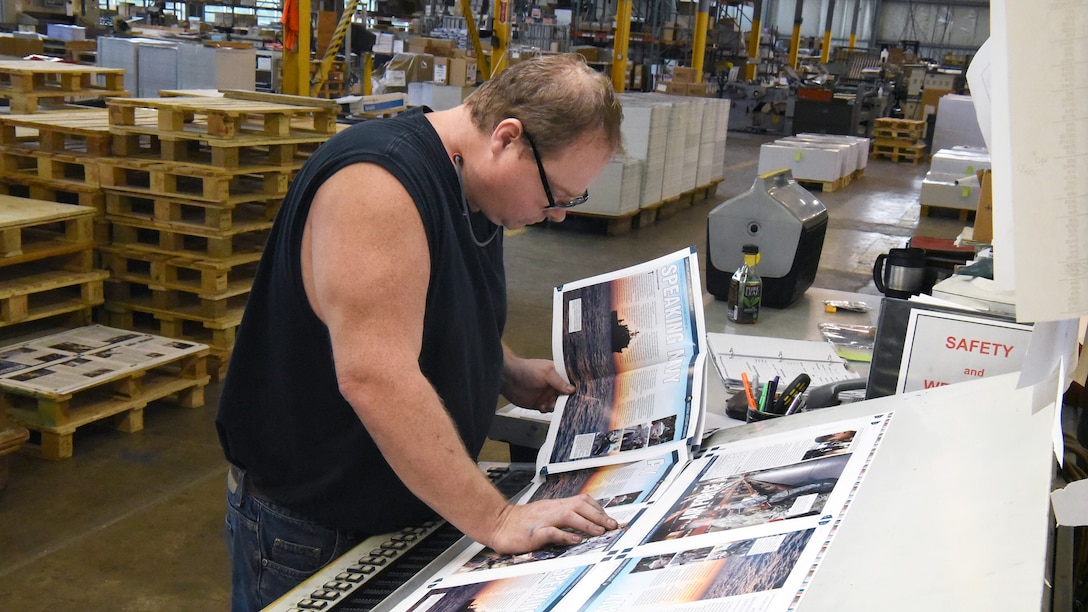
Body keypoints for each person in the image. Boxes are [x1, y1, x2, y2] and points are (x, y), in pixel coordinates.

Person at [215, 54, 623, 611]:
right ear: (507, 138)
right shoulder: (378, 185)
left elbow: (420, 311)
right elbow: (374, 374)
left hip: (405, 510)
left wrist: (502, 368)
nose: (557, 215)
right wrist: (497, 519)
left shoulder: (477, 185)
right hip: (317, 531)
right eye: (557, 196)